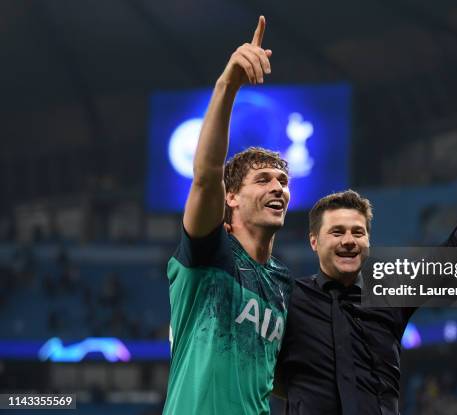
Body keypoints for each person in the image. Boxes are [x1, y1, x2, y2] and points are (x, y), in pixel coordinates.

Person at [275, 127, 457, 414]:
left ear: (368, 240)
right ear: (314, 241)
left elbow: (454, 253)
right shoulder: (286, 298)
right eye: (337, 232)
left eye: (358, 232)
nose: (348, 241)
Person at [163, 16, 294, 415]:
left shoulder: (286, 287)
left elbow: (289, 380)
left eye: (283, 181)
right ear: (231, 198)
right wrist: (228, 84)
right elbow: (204, 177)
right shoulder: (209, 253)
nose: (278, 188)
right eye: (264, 180)